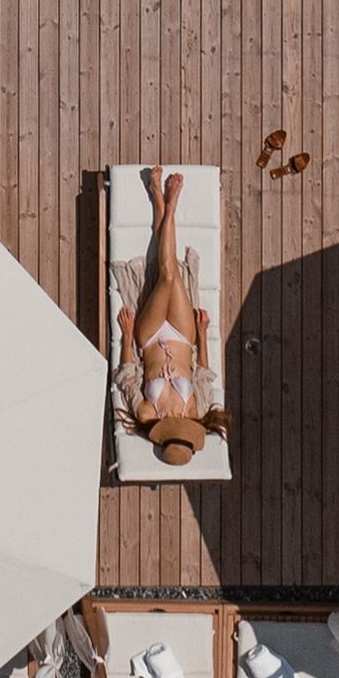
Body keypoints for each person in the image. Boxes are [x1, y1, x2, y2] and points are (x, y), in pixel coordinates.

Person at [127, 165, 209, 468]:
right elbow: (204, 372)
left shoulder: (147, 414)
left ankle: (168, 206)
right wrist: (203, 333)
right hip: (184, 337)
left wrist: (127, 335)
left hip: (149, 338)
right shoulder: (196, 411)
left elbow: (128, 374)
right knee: (170, 271)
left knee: (168, 275)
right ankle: (162, 204)